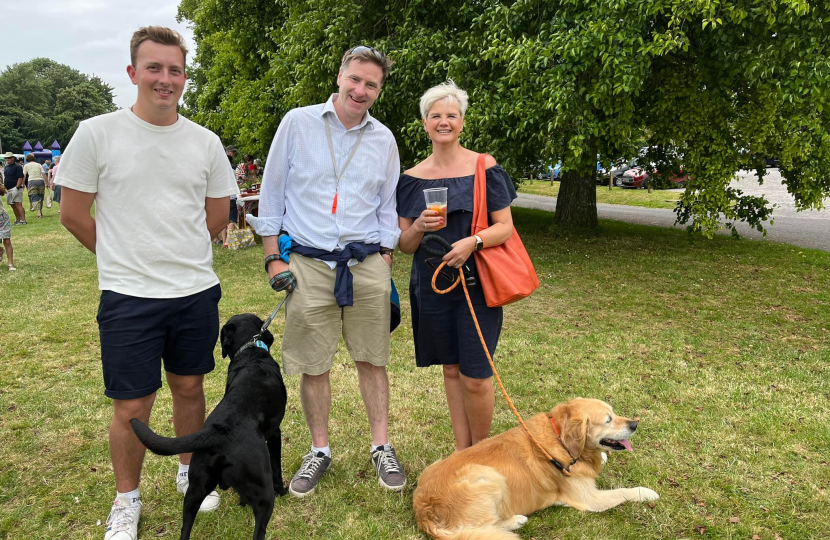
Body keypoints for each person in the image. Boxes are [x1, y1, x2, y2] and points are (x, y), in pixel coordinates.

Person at [56, 26, 238, 540]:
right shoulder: (97, 133)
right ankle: (126, 500)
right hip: (128, 296)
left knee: (190, 387)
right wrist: (123, 256)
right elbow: (73, 213)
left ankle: (190, 473)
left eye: (174, 70)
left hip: (193, 291)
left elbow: (218, 214)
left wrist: (177, 252)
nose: (165, 79)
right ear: (133, 72)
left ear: (184, 77)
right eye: (154, 68)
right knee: (132, 405)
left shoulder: (205, 142)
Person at [248, 45, 404, 497]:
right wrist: (273, 256)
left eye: (371, 84)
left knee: (373, 359)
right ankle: (319, 449)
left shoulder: (384, 139)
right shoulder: (297, 123)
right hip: (308, 263)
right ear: (339, 76)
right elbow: (271, 193)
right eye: (355, 79)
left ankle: (381, 446)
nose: (361, 90)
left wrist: (385, 255)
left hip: (366, 263)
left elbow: (388, 204)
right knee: (313, 364)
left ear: (379, 90)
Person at [396, 81, 517, 452]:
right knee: (450, 370)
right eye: (436, 115)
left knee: (476, 376)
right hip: (432, 286)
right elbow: (405, 245)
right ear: (425, 124)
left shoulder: (484, 167)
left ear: (462, 122)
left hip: (477, 284)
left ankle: (481, 452)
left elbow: (504, 227)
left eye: (451, 115)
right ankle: (463, 453)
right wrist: (418, 226)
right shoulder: (410, 179)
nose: (443, 121)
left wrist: (472, 242)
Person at [3, 152, 26, 225]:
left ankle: (23, 221)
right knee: (12, 205)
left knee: (18, 204)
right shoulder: (6, 167)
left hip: (15, 188)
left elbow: (20, 177)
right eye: (6, 158)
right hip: (8, 189)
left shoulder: (17, 167)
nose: (7, 159)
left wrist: (17, 187)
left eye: (9, 158)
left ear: (13, 158)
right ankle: (18, 220)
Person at [23, 154, 46, 218]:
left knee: (34, 196)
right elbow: (43, 174)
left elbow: (24, 176)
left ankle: (39, 213)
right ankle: (40, 211)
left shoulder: (26, 165)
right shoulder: (39, 165)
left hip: (32, 181)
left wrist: (22, 184)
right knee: (40, 196)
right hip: (41, 181)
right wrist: (47, 182)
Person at [0, 184, 15, 270]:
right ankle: (0, 250)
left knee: (7, 241)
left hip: (2, 217)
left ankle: (10, 264)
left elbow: (3, 191)